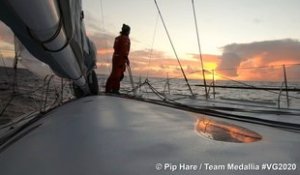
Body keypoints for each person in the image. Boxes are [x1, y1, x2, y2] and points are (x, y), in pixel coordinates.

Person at [105, 24, 131, 94]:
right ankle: (114, 89)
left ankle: (110, 88)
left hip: (116, 58)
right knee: (117, 75)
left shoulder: (117, 38)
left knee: (118, 74)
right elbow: (124, 50)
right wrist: (126, 59)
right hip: (120, 59)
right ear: (127, 31)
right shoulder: (125, 39)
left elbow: (115, 48)